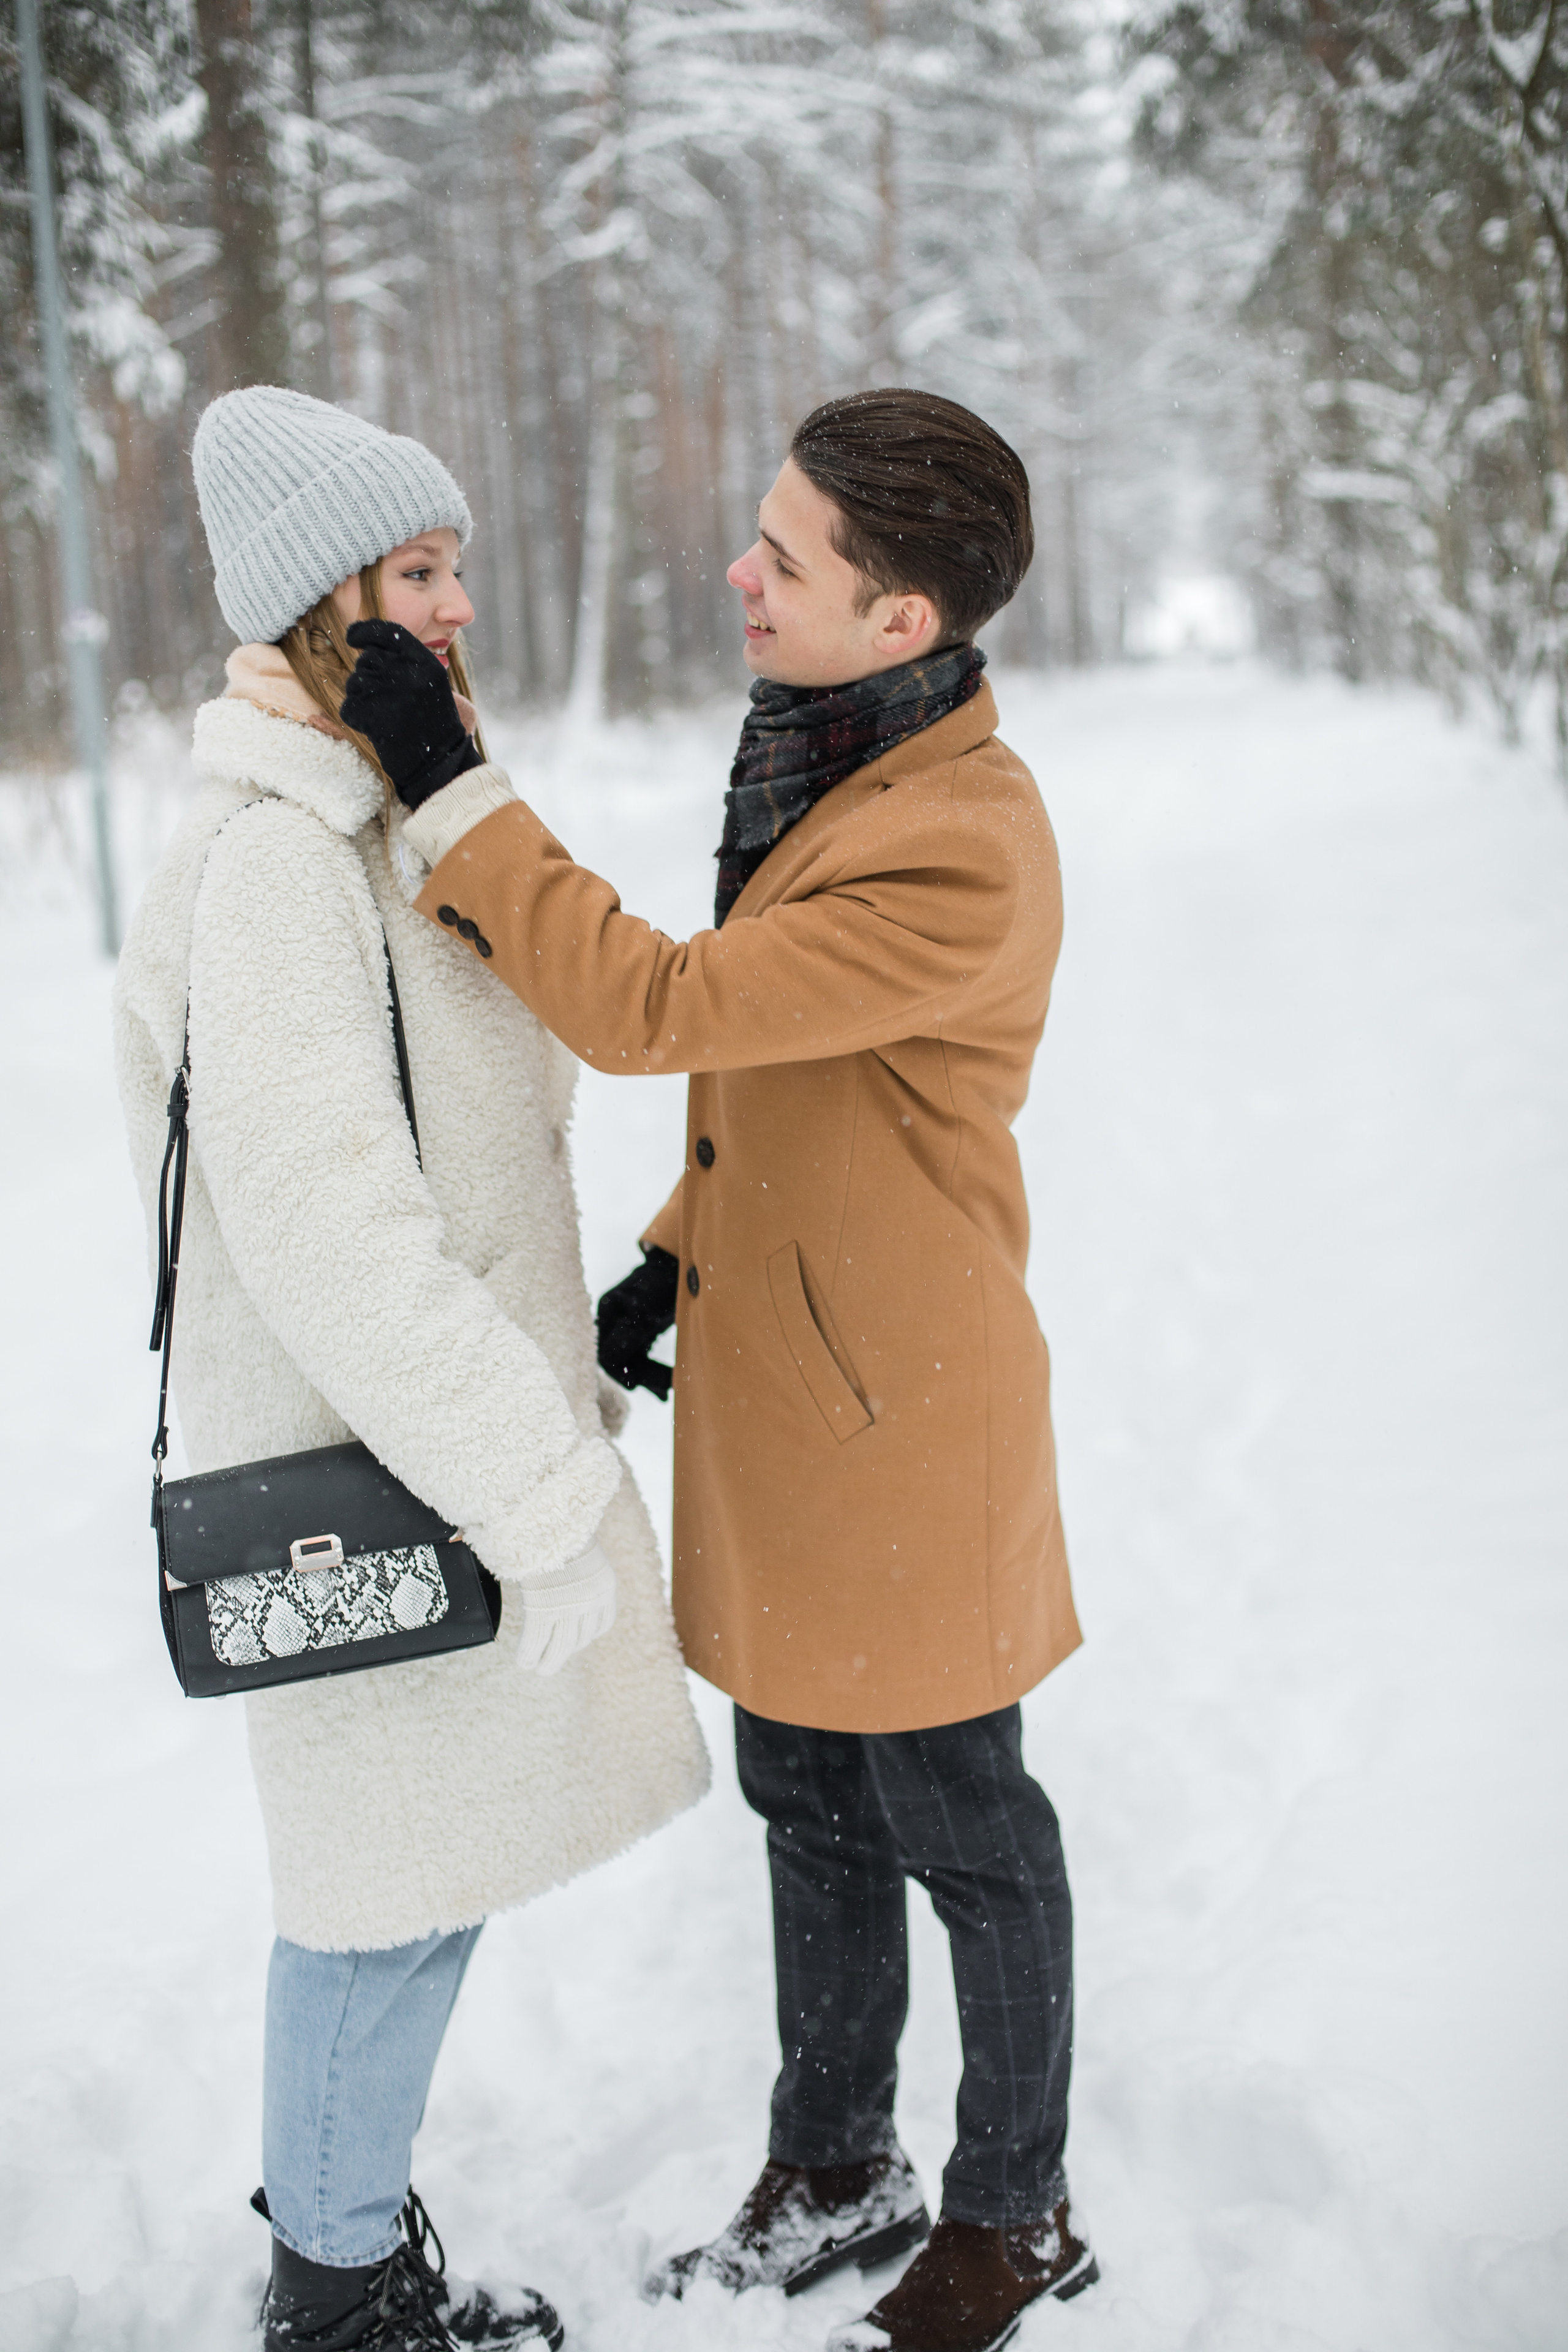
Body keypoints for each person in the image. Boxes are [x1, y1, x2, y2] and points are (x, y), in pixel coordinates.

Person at [341, 387, 1096, 2352]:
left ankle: (1018, 2213)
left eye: (785, 556)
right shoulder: (834, 766)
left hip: (906, 1416)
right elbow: (797, 1084)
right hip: (794, 1389)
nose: (737, 572)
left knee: (965, 1822)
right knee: (810, 1796)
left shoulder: (957, 845)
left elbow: (669, 1008)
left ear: (901, 622)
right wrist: (669, 1266)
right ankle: (839, 2157)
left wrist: (452, 794)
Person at [113, 385, 709, 2352]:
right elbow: (337, 1239)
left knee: (403, 1887)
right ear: (325, 610)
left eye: (458, 566)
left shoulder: (361, 820)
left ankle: (340, 2242)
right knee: (383, 1901)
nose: (460, 606)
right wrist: (539, 1492)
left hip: (413, 1461)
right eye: (420, 574)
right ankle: (340, 2290)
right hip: (385, 1472)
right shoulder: (279, 866)